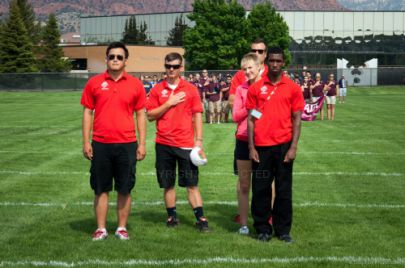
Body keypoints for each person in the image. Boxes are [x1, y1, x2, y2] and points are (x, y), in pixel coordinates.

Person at [81, 41, 147, 241]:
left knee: (125, 188)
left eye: (119, 57)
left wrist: (142, 143)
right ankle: (101, 228)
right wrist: (86, 141)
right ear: (106, 59)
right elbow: (87, 112)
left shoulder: (135, 84)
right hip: (100, 144)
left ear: (126, 60)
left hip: (127, 144)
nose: (115, 60)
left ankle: (121, 228)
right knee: (101, 188)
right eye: (112, 57)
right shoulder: (94, 83)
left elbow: (141, 114)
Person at [145, 52, 210, 232]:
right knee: (168, 184)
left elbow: (197, 114)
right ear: (164, 67)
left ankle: (201, 219)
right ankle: (172, 217)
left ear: (181, 68)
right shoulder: (157, 90)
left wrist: (199, 140)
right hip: (163, 144)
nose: (171, 69)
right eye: (168, 66)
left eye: (175, 66)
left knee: (191, 184)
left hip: (185, 144)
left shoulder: (190, 89)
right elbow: (150, 115)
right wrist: (169, 103)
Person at [246, 47, 304, 242]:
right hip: (261, 148)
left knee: (283, 190)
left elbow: (297, 118)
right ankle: (262, 229)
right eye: (272, 60)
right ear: (266, 62)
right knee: (261, 189)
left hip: (283, 147)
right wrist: (251, 147)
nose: (275, 64)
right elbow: (251, 119)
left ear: (283, 63)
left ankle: (283, 230)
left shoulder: (293, 87)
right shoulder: (256, 88)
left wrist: (293, 147)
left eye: (278, 61)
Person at [232, 53, 262, 235]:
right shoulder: (241, 89)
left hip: (263, 140)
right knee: (244, 185)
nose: (248, 71)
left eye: (251, 67)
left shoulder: (267, 87)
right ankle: (243, 224)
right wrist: (251, 108)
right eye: (245, 69)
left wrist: (255, 112)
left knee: (264, 183)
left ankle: (264, 222)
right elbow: (236, 115)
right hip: (243, 138)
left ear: (259, 67)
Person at [229, 38, 269, 108]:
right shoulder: (240, 74)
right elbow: (232, 101)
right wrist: (252, 111)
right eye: (253, 51)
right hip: (246, 116)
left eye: (260, 51)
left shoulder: (271, 74)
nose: (256, 53)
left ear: (265, 54)